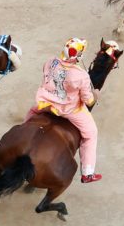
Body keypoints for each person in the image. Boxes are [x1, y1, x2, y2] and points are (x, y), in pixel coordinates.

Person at [30, 38, 102, 182]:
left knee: (31, 112)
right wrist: (95, 96)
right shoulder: (82, 75)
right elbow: (87, 100)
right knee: (91, 134)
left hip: (47, 104)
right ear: (79, 55)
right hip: (70, 110)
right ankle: (88, 172)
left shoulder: (51, 61)